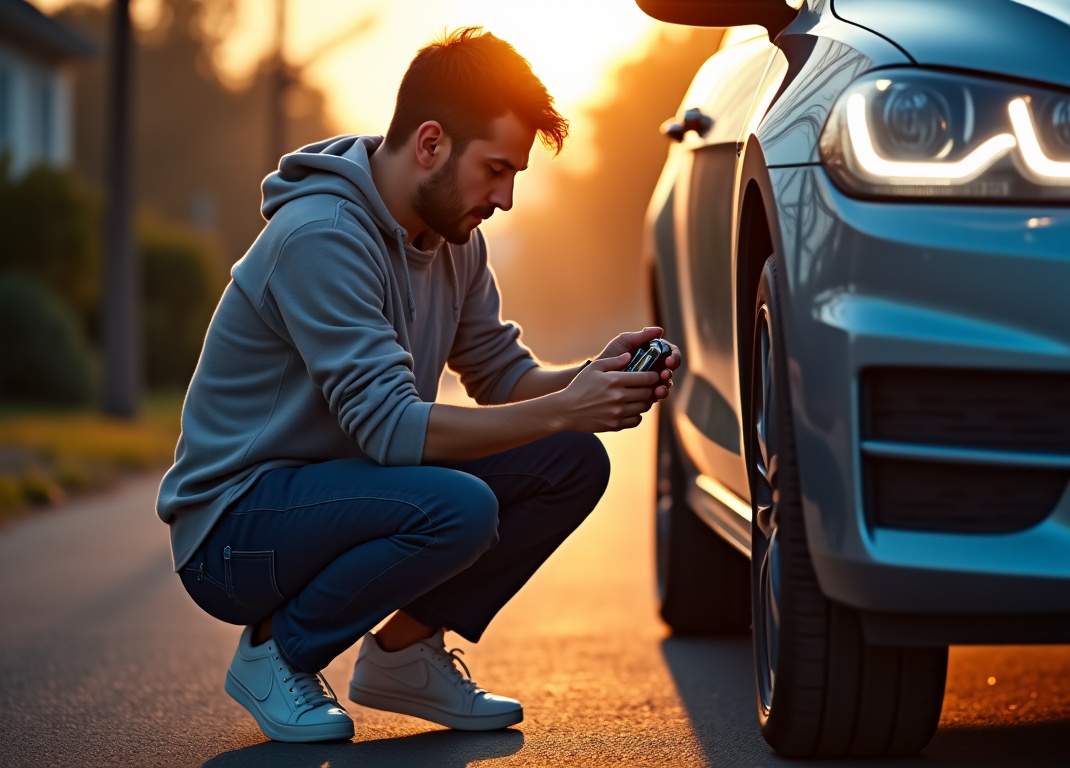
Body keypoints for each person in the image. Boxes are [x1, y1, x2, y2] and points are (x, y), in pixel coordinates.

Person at [156, 27, 679, 743]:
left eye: (515, 175)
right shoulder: (321, 234)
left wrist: (592, 380)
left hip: (342, 492)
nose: (506, 198)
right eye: (495, 169)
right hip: (237, 531)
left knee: (571, 461)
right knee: (461, 506)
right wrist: (565, 408)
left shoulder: (456, 241)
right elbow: (393, 430)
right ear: (430, 143)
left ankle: (404, 653)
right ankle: (275, 655)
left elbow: (501, 376)